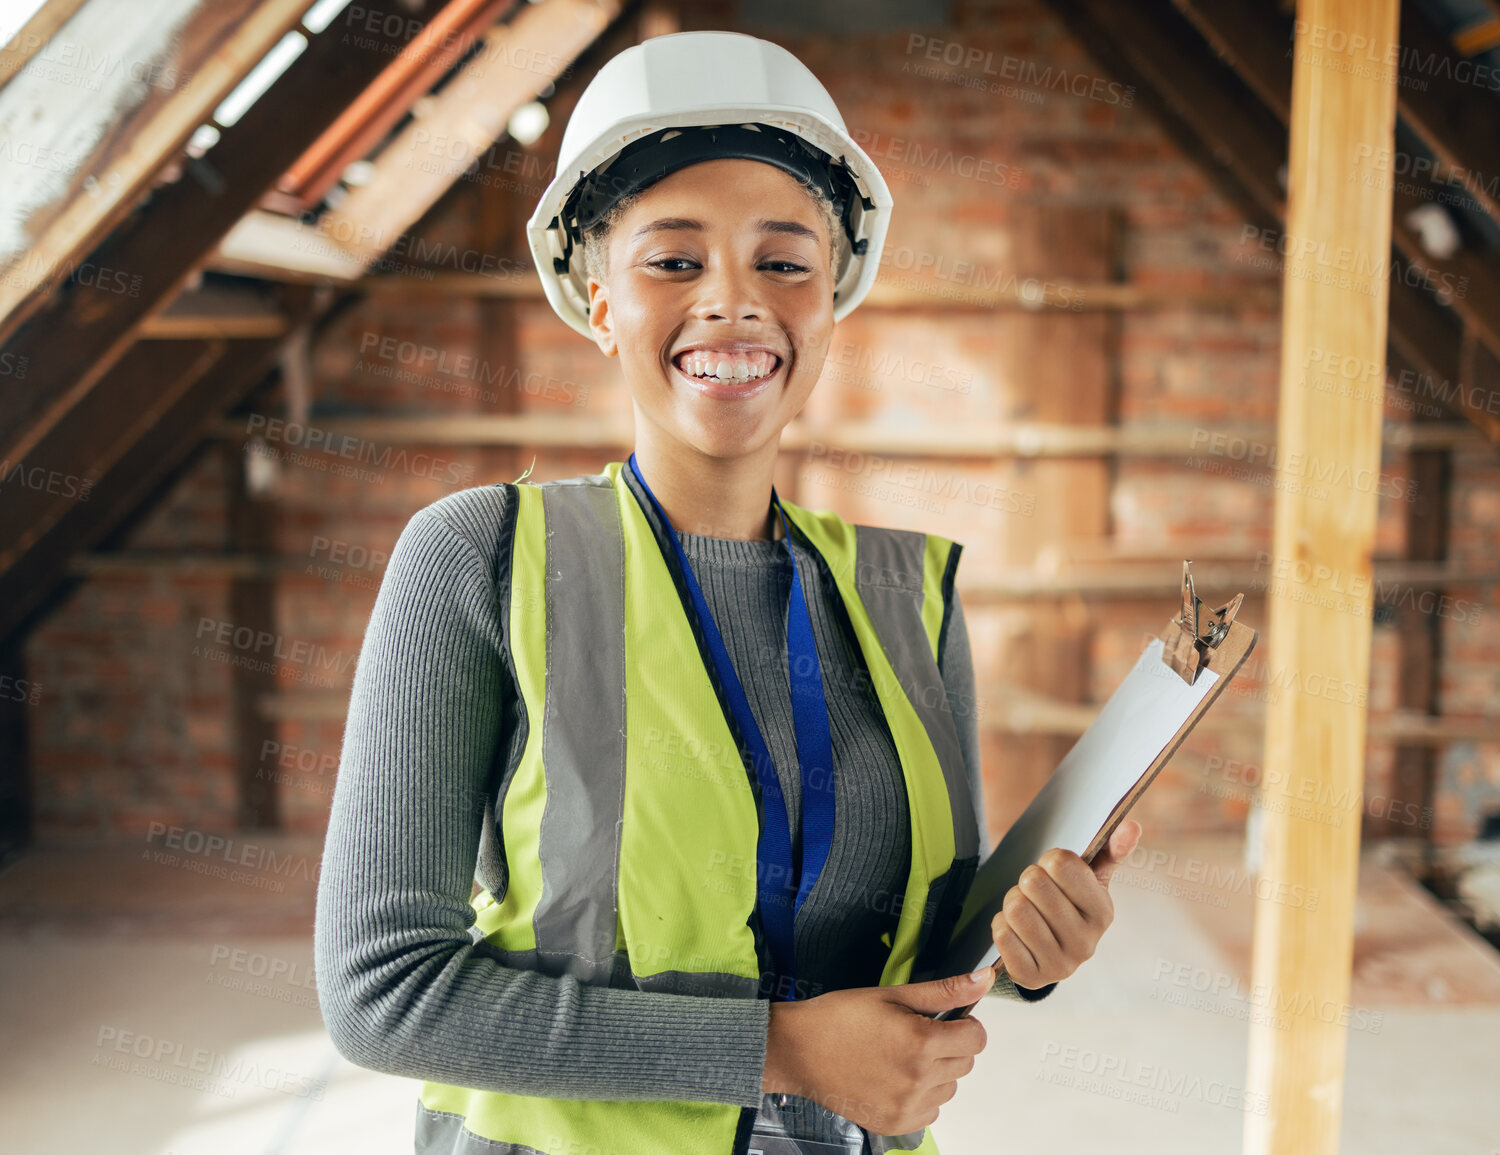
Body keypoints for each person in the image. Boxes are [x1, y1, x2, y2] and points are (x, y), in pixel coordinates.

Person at [314, 29, 1142, 1155]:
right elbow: (385, 994)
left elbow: (918, 953)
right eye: (673, 260)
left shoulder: (909, 596)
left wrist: (1028, 946)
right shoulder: (482, 557)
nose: (735, 302)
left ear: (830, 311)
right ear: (599, 301)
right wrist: (780, 1052)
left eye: (785, 261)